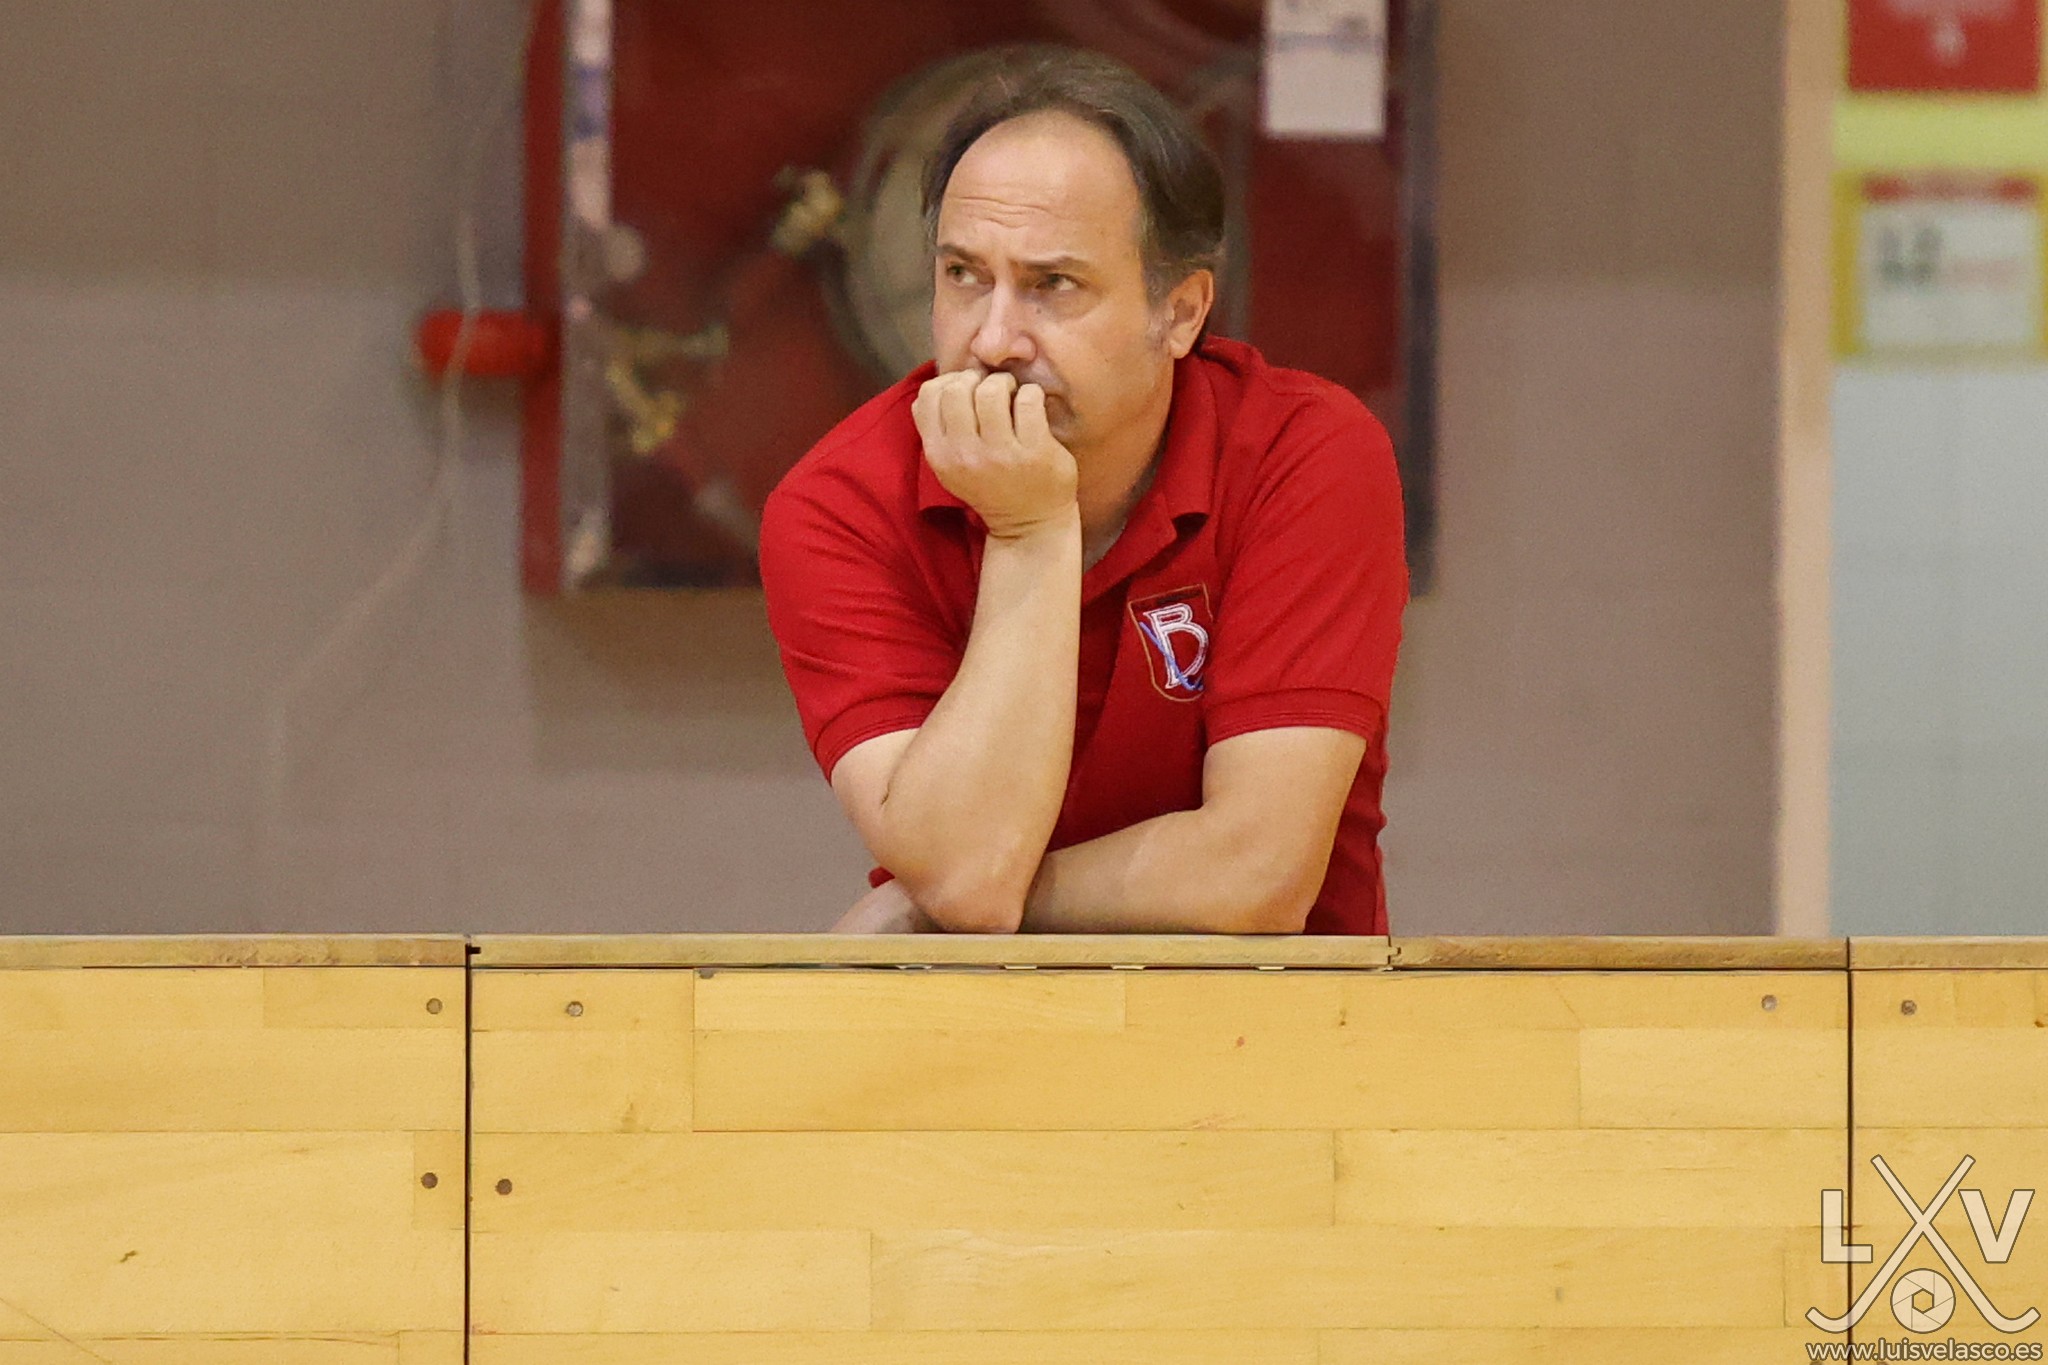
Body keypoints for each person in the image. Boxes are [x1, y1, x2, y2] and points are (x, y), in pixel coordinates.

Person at [759, 47, 1407, 936]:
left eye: (1051, 285)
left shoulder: (1304, 452)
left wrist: (931, 906)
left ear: (1180, 312)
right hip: (971, 1022)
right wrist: (1028, 530)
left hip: (1271, 1013)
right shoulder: (838, 504)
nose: (993, 339)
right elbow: (968, 874)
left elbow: (1257, 874)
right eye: (963, 275)